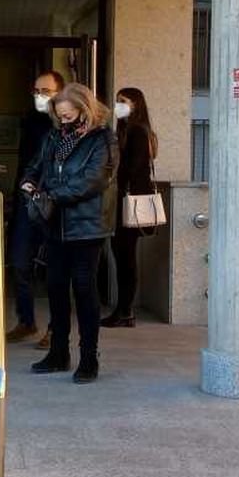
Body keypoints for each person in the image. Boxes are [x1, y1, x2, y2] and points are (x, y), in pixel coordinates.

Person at [22, 83, 117, 383]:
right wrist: (28, 181)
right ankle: (58, 352)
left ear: (83, 110)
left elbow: (93, 180)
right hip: (56, 225)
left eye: (67, 115)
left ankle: (89, 357)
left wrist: (51, 194)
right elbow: (37, 166)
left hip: (87, 227)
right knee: (55, 287)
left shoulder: (103, 139)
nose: (63, 121)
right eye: (59, 116)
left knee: (85, 290)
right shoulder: (54, 136)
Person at [9, 69, 64, 344]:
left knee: (54, 268)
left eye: (46, 92)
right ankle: (26, 320)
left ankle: (55, 328)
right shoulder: (30, 120)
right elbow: (25, 162)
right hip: (26, 200)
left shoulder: (64, 125)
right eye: (36, 91)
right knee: (20, 262)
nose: (39, 97)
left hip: (53, 203)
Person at [103, 86, 158, 329]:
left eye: (122, 101)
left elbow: (133, 167)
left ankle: (124, 310)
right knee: (124, 255)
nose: (118, 106)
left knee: (124, 256)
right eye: (117, 101)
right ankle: (124, 310)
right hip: (129, 200)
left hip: (130, 201)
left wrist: (112, 175)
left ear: (135, 104)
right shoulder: (130, 130)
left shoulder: (136, 132)